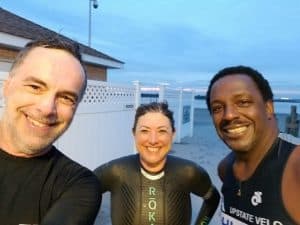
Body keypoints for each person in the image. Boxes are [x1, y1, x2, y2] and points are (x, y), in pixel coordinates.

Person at [0, 36, 101, 225]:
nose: (47, 108)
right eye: (35, 87)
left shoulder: (76, 185)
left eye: (66, 98)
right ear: (7, 86)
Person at [94, 102, 220, 225]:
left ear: (173, 134)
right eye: (144, 131)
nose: (153, 140)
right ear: (134, 134)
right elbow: (81, 194)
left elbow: (213, 199)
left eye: (162, 131)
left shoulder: (189, 172)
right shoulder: (116, 171)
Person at [206, 65, 300, 225]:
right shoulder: (225, 169)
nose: (228, 115)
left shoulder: (295, 167)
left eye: (243, 102)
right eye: (217, 108)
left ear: (268, 108)